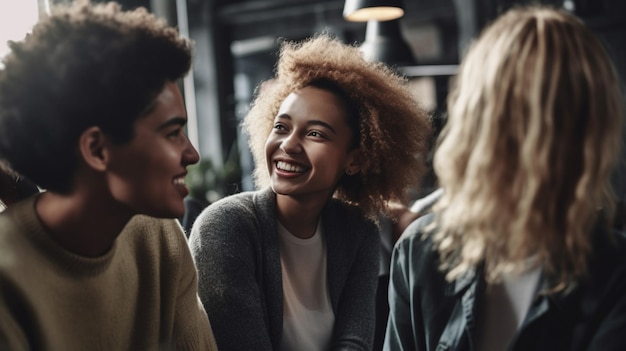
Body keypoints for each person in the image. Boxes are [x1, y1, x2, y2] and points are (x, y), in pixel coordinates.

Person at [384, 6, 626, 351]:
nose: (536, 140)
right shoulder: (418, 251)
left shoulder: (614, 274)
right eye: (515, 115)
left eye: (559, 115)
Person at [189, 34, 432, 351]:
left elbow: (355, 343)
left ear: (355, 159)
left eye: (315, 133)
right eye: (281, 126)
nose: (288, 145)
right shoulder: (225, 227)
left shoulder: (359, 232)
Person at [0, 1, 217, 349]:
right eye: (173, 132)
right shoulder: (9, 283)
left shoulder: (159, 237)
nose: (192, 154)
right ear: (98, 150)